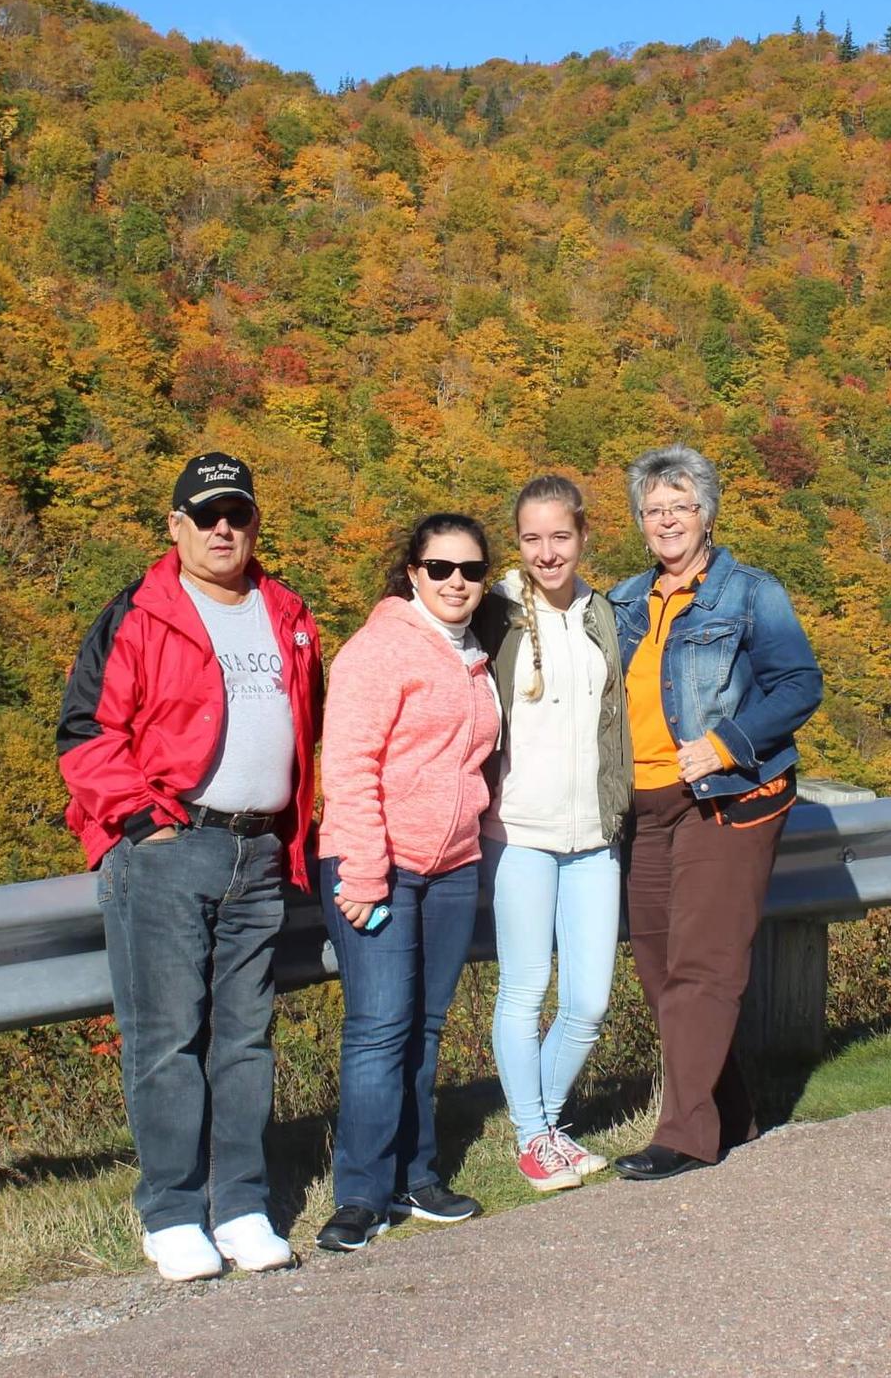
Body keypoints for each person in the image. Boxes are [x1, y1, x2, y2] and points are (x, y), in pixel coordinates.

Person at [56, 452, 323, 1281]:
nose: (222, 529)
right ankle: (171, 1211)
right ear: (175, 526)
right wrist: (142, 822)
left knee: (245, 1037)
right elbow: (85, 731)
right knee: (167, 1037)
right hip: (172, 847)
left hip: (260, 848)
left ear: (254, 523)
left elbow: (316, 720)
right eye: (205, 515)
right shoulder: (140, 613)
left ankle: (241, 1203)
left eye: (236, 514)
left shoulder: (285, 611)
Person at [605, 444, 822, 1181]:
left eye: (680, 506)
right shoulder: (624, 601)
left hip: (727, 801)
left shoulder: (752, 594)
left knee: (703, 966)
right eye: (654, 510)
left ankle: (686, 1135)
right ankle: (731, 1112)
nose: (667, 521)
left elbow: (798, 685)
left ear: (707, 513)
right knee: (660, 967)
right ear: (641, 521)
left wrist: (727, 743)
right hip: (645, 809)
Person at [314, 513, 500, 1251]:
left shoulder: (475, 652)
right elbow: (350, 766)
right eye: (441, 568)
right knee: (378, 1030)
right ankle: (360, 1195)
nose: (457, 582)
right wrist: (362, 869)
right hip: (380, 863)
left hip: (452, 866)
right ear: (412, 573)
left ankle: (417, 1176)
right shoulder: (378, 650)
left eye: (472, 570)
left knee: (423, 1027)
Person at [473, 476, 632, 1192]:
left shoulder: (605, 616)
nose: (547, 552)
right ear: (519, 542)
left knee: (590, 1000)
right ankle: (536, 1138)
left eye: (560, 536)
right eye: (533, 538)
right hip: (520, 833)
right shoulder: (496, 613)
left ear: (583, 535)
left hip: (594, 834)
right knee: (526, 988)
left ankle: (546, 1124)